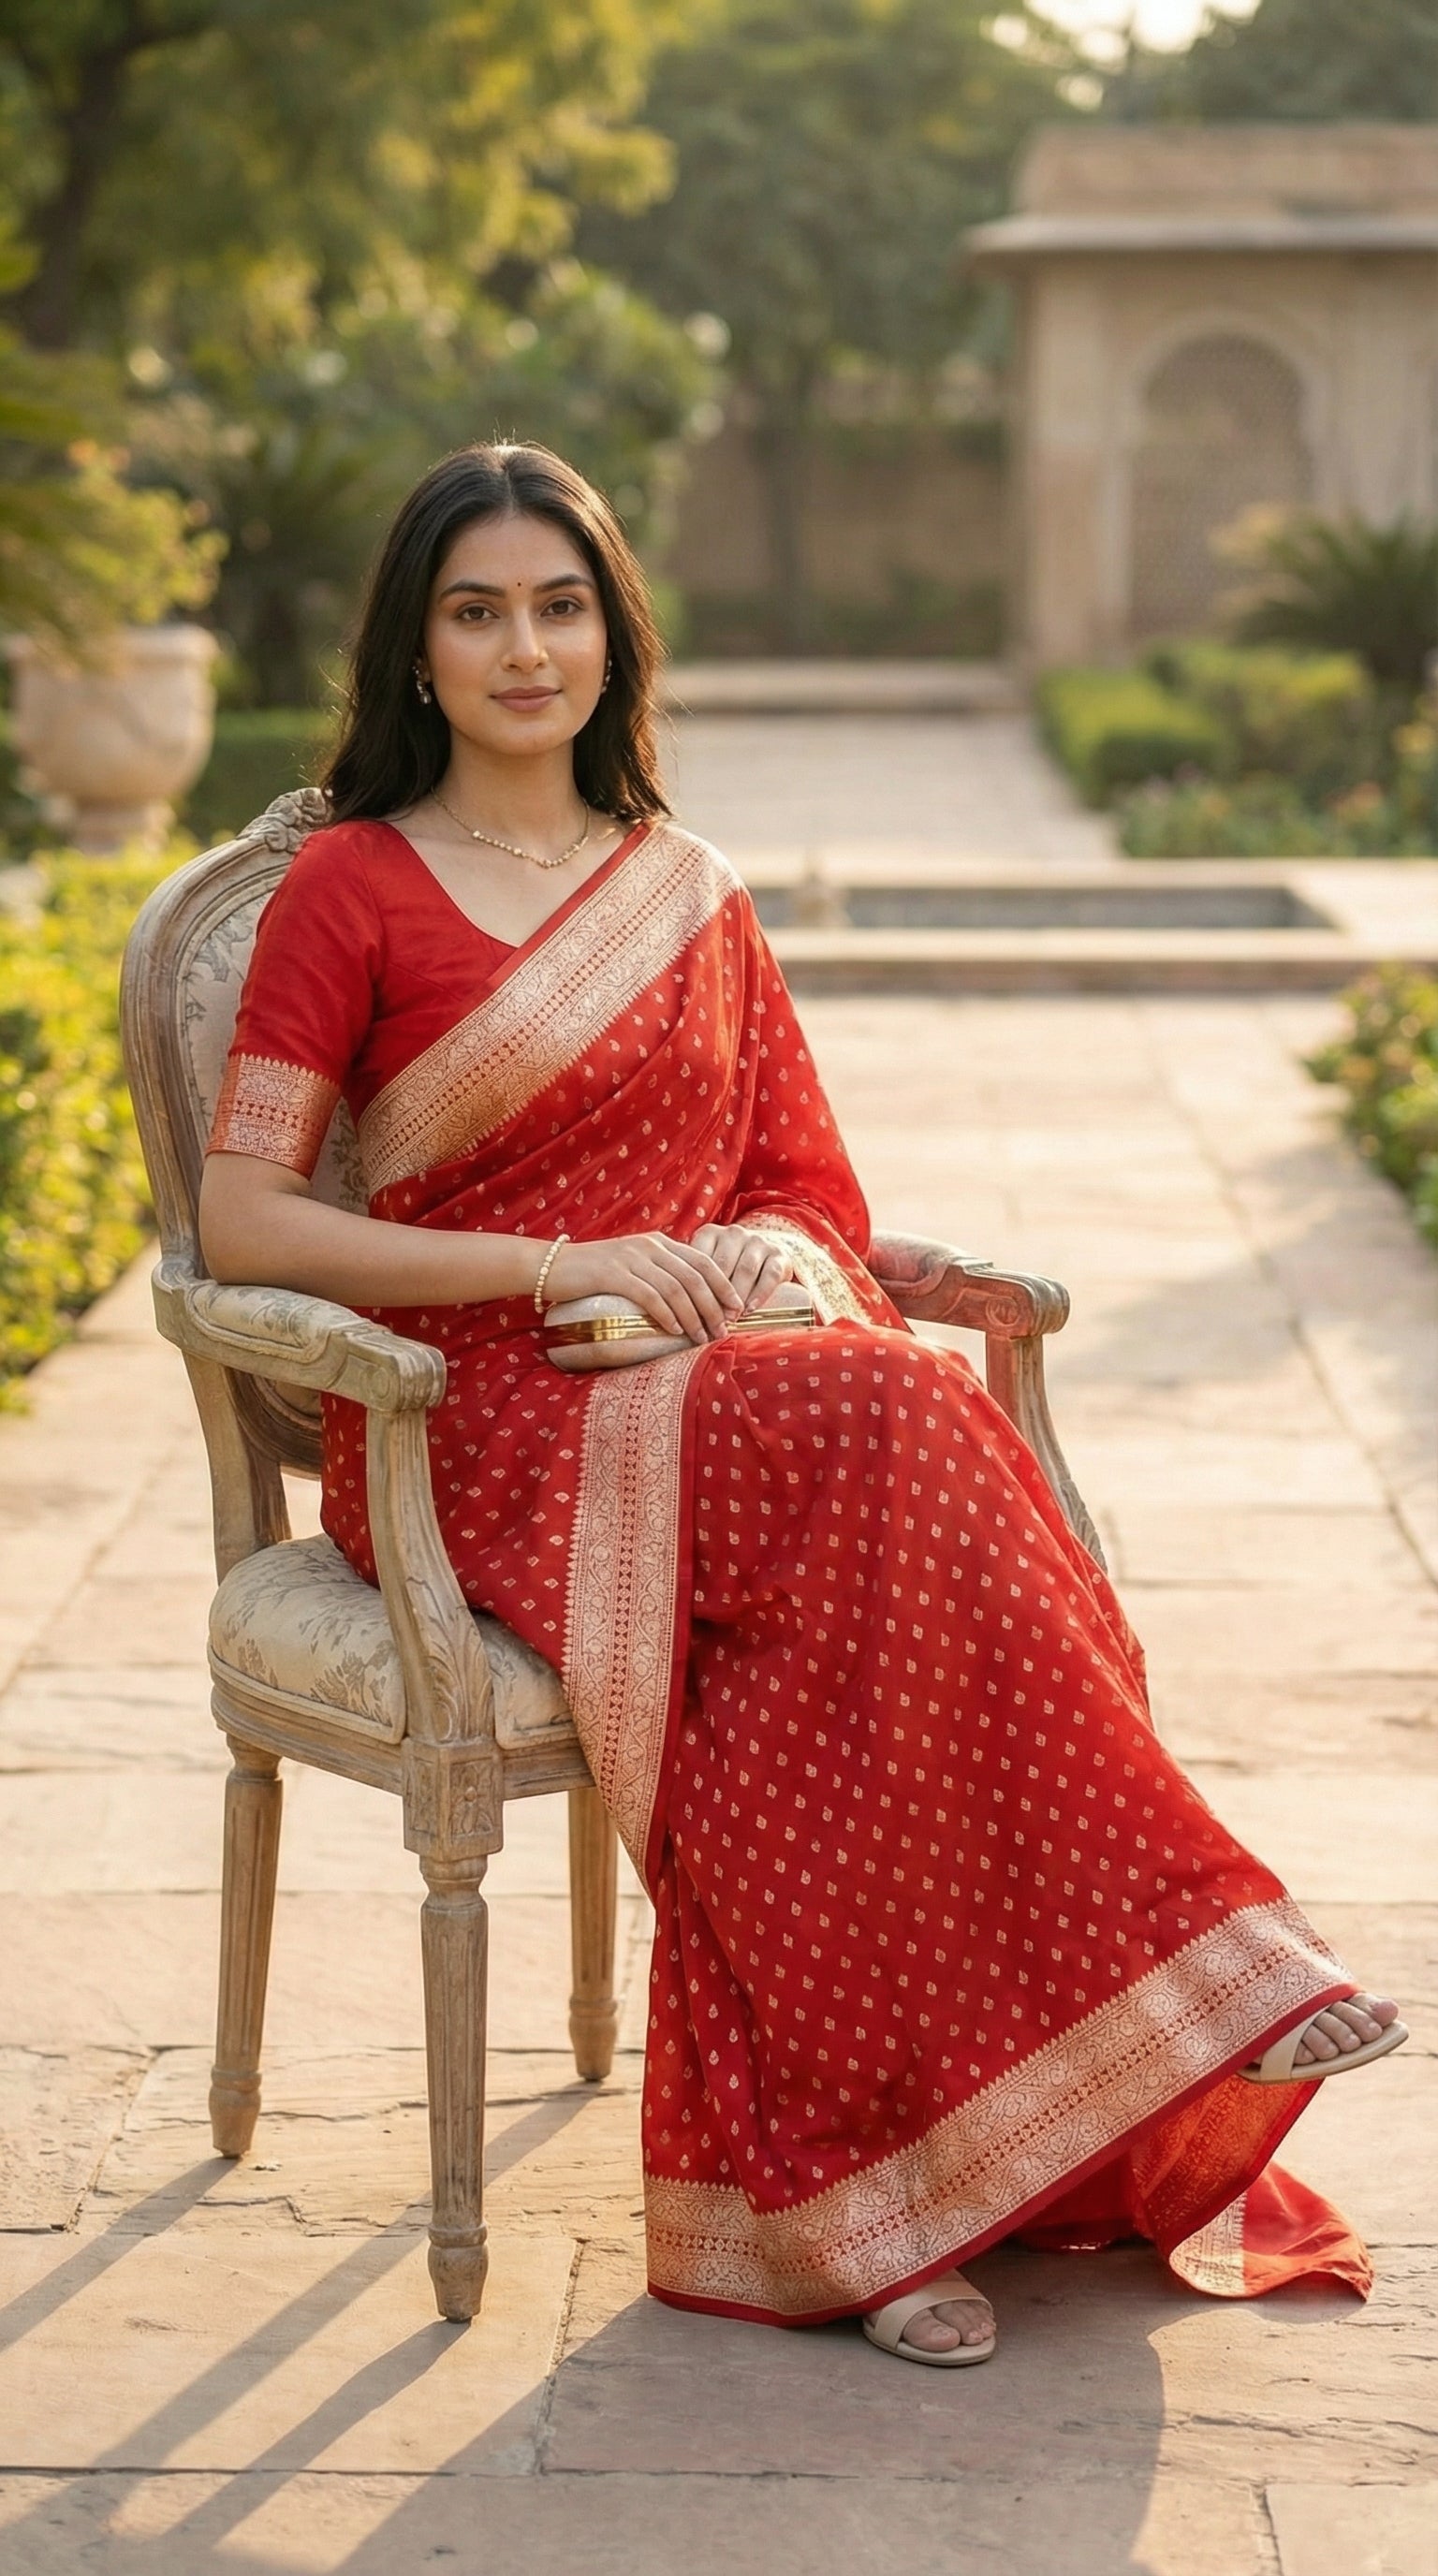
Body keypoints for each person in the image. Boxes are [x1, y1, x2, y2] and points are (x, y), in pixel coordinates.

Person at [200, 442, 1404, 2366]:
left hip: (716, 1380)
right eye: (479, 610)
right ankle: (1204, 1950)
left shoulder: (687, 889)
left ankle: (874, 2199)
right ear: (417, 651)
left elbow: (800, 1194)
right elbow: (244, 1214)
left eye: (561, 603)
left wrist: (732, 1282)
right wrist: (554, 1266)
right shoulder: (350, 885)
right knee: (916, 1430)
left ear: (615, 631)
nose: (527, 647)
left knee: (819, 1648)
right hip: (471, 1411)